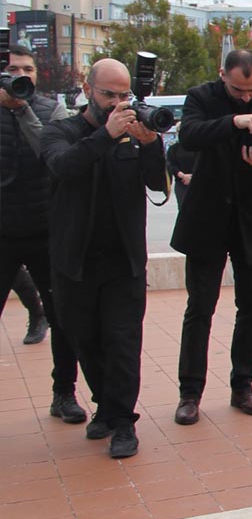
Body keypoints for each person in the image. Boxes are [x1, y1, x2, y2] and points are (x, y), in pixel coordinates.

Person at [41, 58, 168, 459]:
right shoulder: (61, 131)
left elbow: (155, 183)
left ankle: (123, 423)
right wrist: (104, 137)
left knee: (123, 343)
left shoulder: (133, 136)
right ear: (87, 88)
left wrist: (151, 145)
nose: (117, 103)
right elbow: (63, 166)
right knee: (85, 340)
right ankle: (107, 409)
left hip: (123, 262)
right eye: (108, 95)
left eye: (123, 95)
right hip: (74, 261)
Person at [170, 49, 252, 425]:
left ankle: (243, 386)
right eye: (238, 89)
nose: (245, 95)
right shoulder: (201, 98)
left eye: (251, 89)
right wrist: (235, 120)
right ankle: (189, 393)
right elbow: (189, 136)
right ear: (221, 74)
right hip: (207, 217)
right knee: (199, 309)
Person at [0, 43, 85, 425]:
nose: (22, 76)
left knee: (62, 315)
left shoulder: (52, 110)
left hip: (45, 228)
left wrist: (22, 111)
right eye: (13, 69)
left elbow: (54, 156)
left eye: (28, 70)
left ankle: (64, 393)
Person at [166, 139, 196, 207]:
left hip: (198, 181)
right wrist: (182, 175)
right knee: (183, 208)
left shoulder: (198, 147)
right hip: (181, 182)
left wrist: (193, 177)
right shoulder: (174, 148)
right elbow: (170, 165)